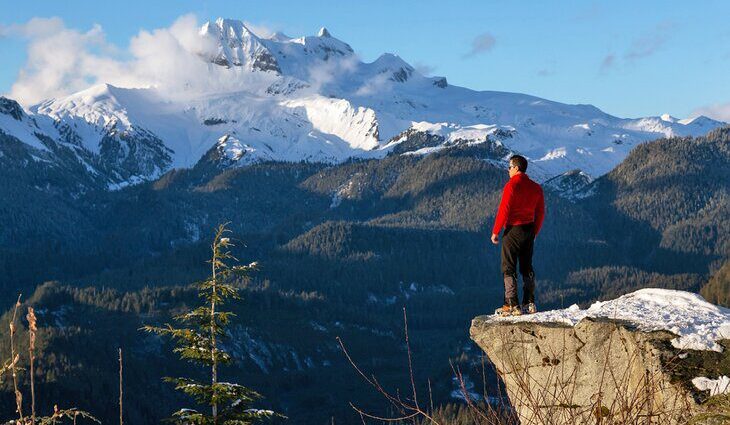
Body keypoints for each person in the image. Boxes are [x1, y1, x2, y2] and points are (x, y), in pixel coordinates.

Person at [491, 155, 545, 316]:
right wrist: (534, 231)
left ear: (516, 168)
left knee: (508, 267)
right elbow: (540, 213)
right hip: (529, 230)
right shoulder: (536, 188)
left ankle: (511, 304)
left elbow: (504, 210)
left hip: (513, 230)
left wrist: (495, 231)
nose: (508, 170)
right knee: (527, 267)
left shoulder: (511, 186)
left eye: (509, 167)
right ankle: (529, 303)